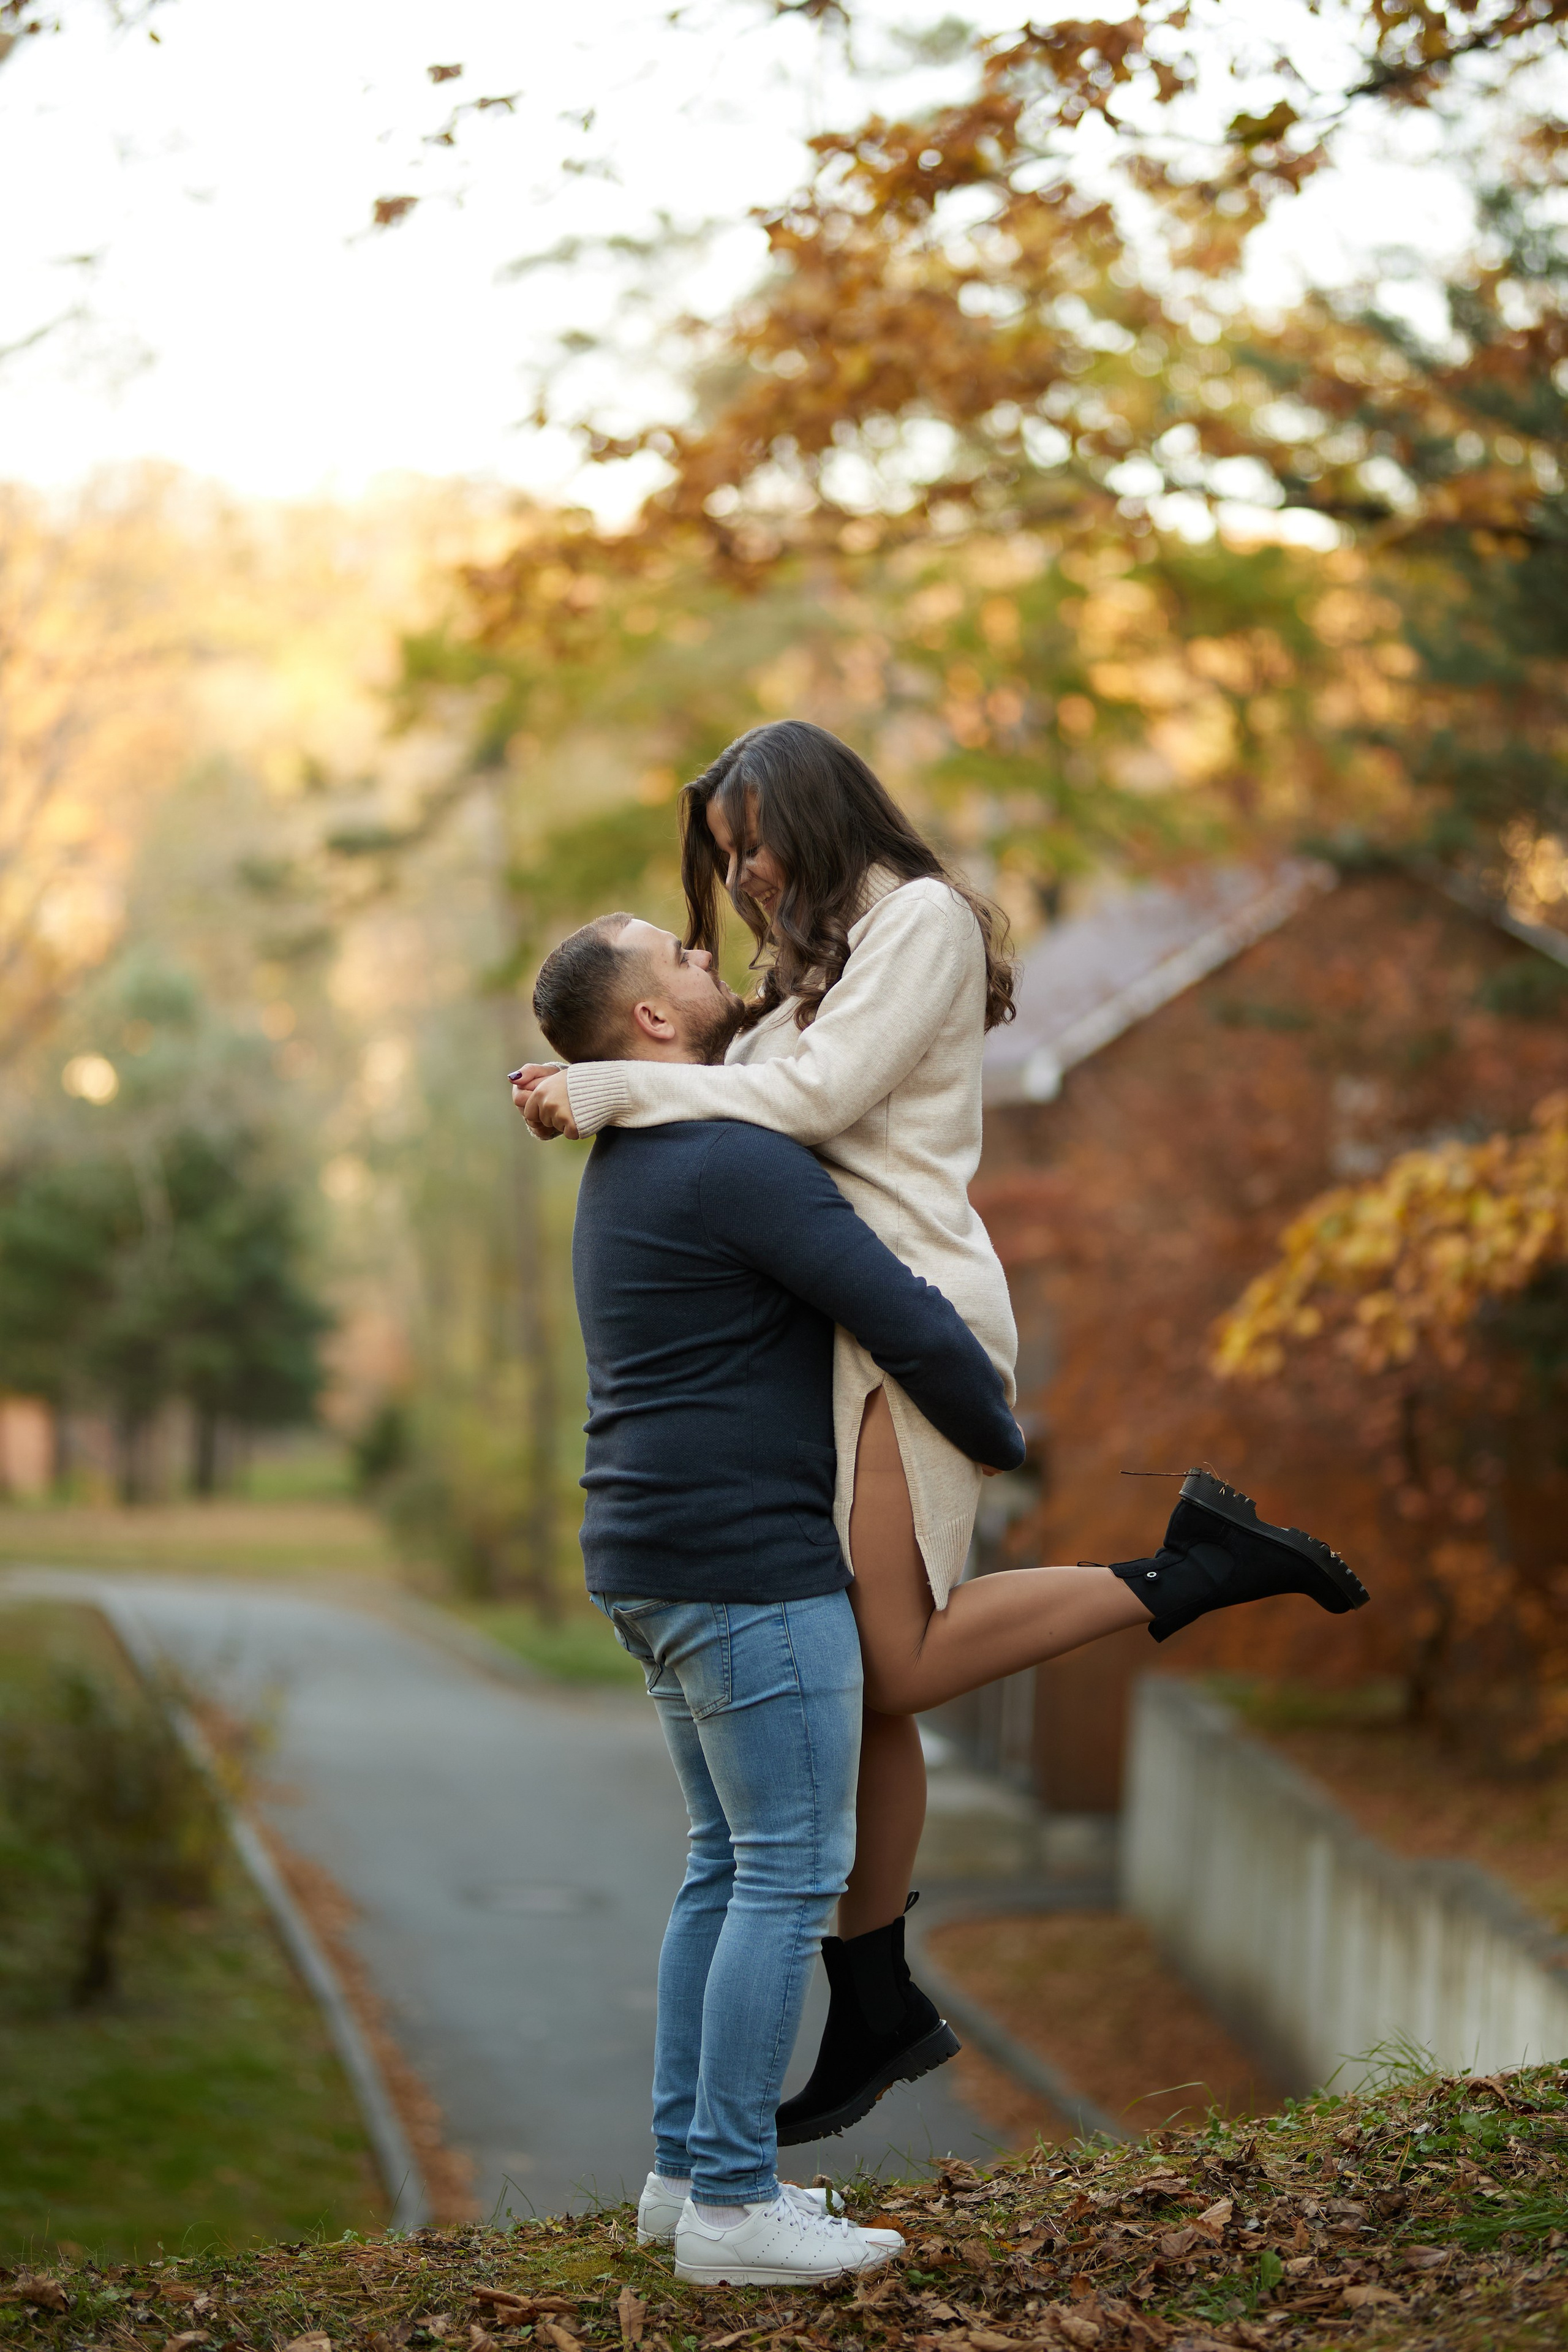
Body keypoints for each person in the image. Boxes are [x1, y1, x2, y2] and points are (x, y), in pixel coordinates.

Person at [513, 720, 1366, 2146]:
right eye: (725, 857)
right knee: (871, 1687)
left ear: (810, 813)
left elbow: (804, 1104)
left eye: (750, 844)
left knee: (892, 1662)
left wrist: (603, 1086)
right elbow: (739, 1083)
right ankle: (874, 2001)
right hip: (837, 1323)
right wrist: (617, 1066)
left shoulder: (918, 920)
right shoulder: (817, 964)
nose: (741, 876)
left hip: (908, 1318)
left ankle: (1191, 1570)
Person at [531, 910, 1027, 2284]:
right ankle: (736, 2209)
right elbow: (902, 1310)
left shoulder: (633, 1158)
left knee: (725, 1861)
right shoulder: (731, 1158)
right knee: (791, 1869)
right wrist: (999, 1438)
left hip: (647, 1555)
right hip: (743, 1565)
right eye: (682, 961)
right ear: (650, 1019)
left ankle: (683, 2178)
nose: (713, 962)